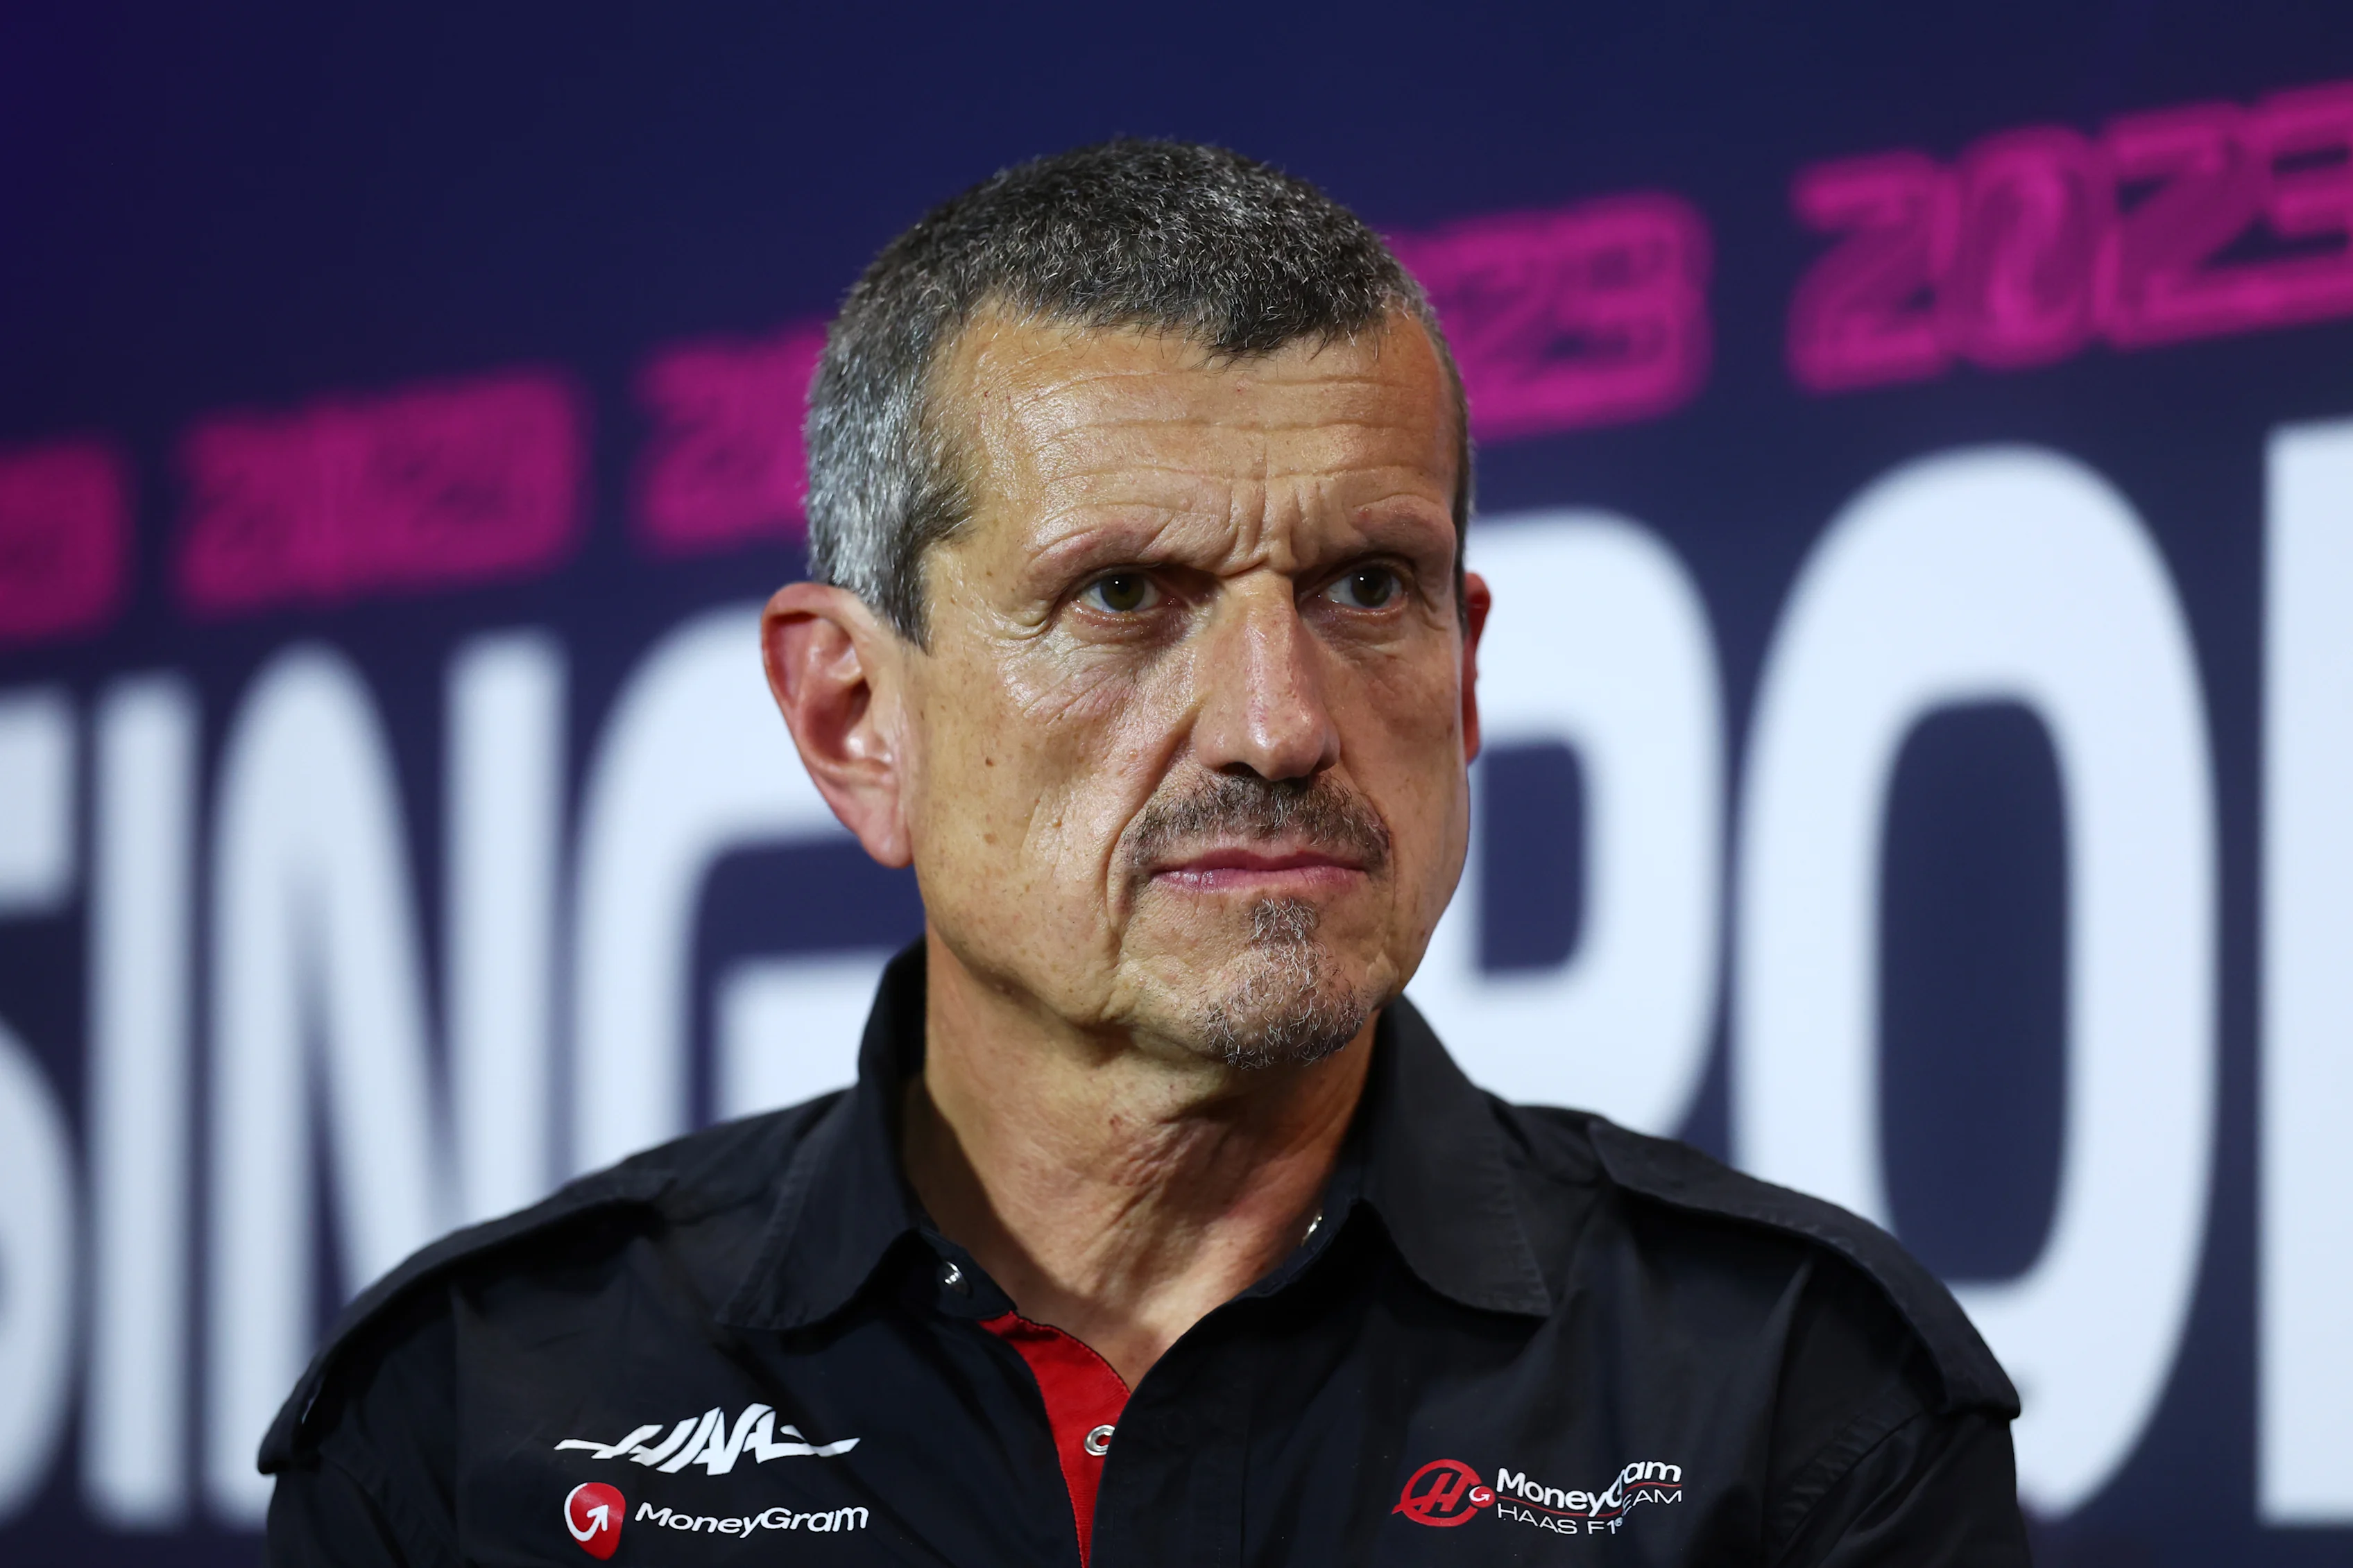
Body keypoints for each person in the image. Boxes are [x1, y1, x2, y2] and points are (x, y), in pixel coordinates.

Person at [263, 139, 2030, 1566]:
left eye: (1365, 588)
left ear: (1468, 668)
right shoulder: (476, 1422)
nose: (1278, 722)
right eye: (1124, 595)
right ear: (851, 716)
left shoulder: (1798, 1408)